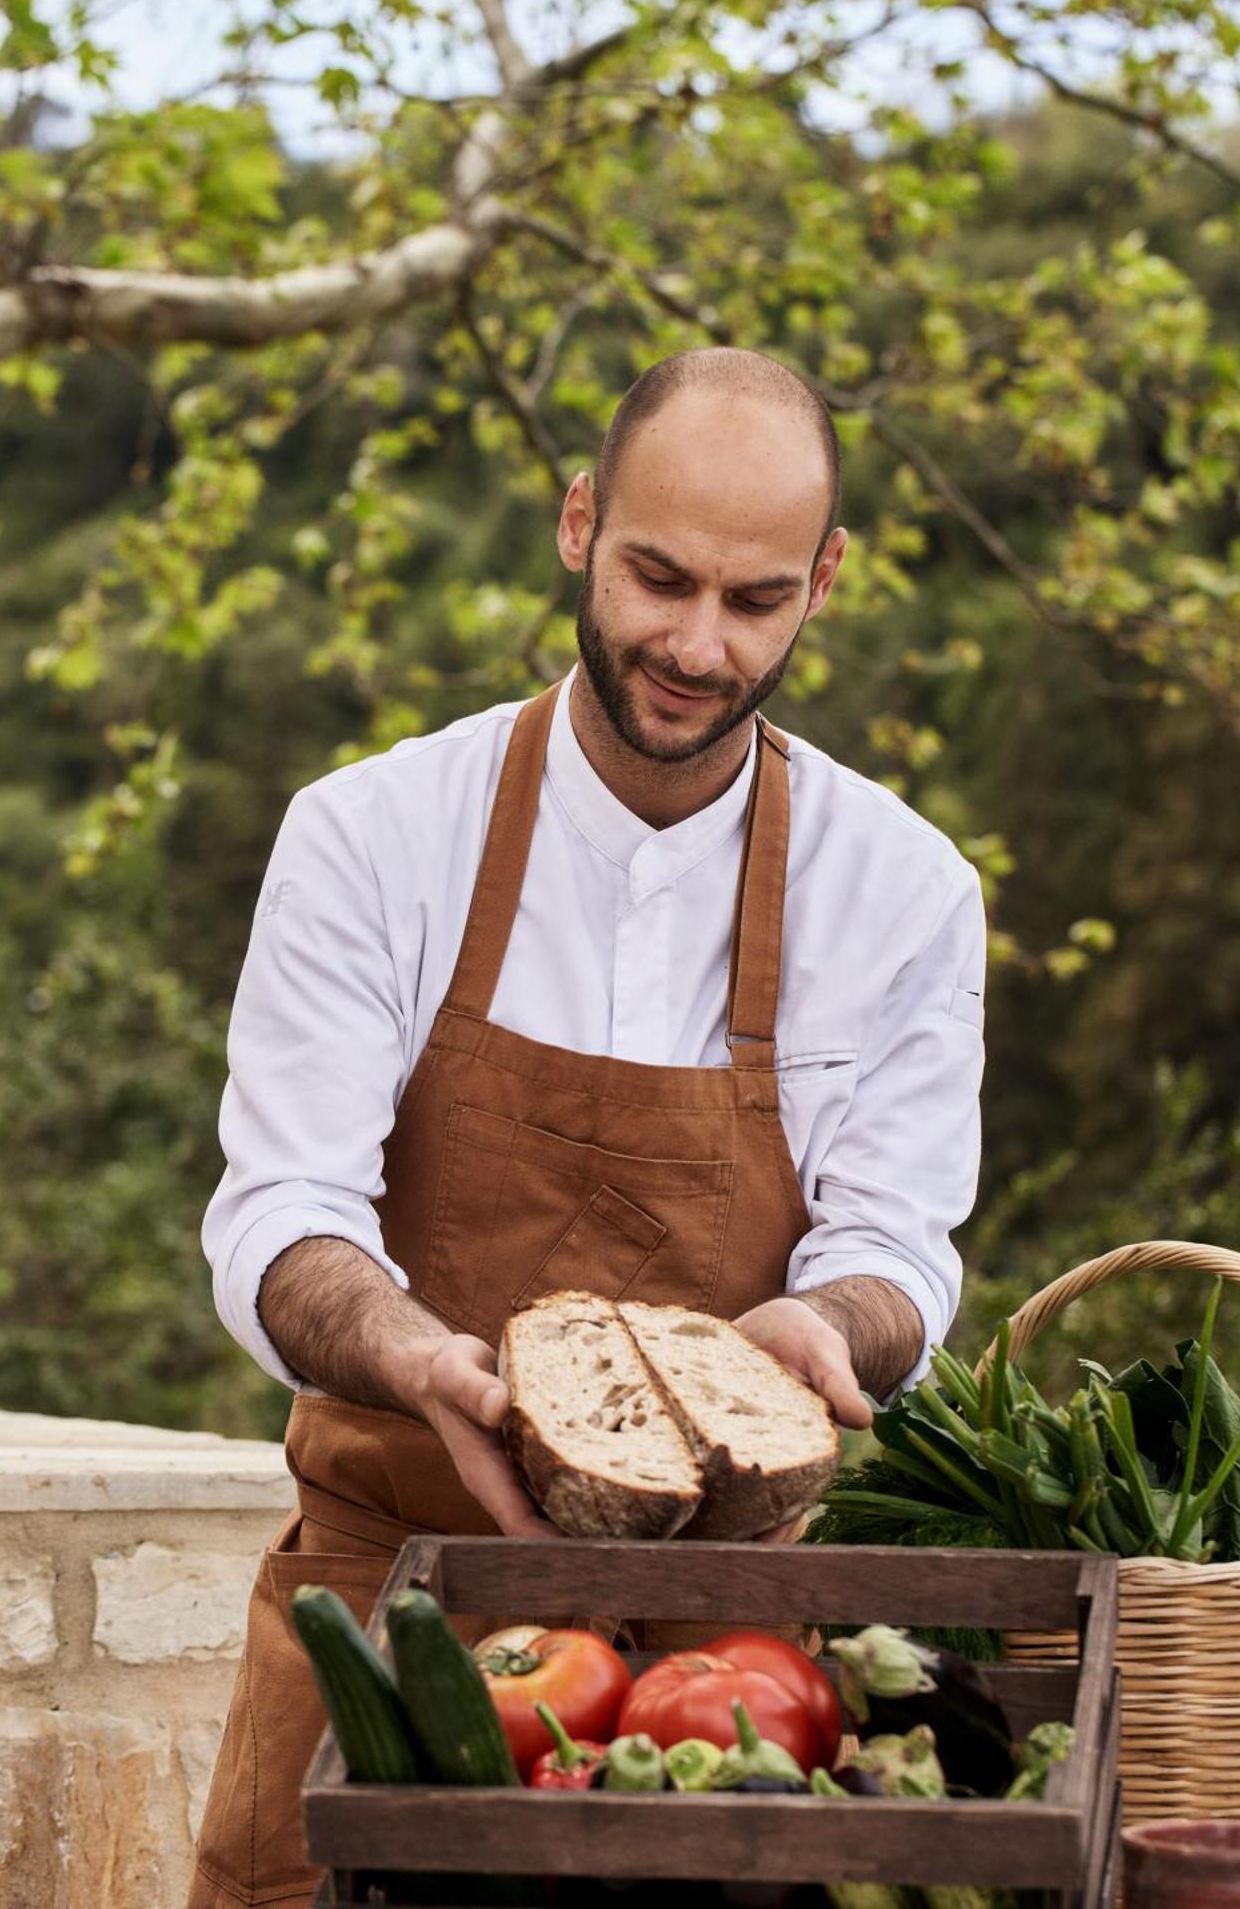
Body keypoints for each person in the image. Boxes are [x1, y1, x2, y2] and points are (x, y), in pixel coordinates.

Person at [187, 347, 987, 1909]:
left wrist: (825, 1326)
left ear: (824, 582)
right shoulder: (371, 835)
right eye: (658, 577)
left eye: (756, 600)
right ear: (576, 525)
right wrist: (422, 1360)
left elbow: (900, 1247)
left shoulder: (905, 891)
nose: (696, 645)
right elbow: (280, 1213)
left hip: (730, 1668)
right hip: (388, 1605)